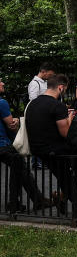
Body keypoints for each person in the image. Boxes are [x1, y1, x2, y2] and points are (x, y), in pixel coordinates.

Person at [25, 74, 77, 214]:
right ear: (60, 87)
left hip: (38, 148)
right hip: (57, 149)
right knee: (74, 171)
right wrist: (70, 118)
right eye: (64, 90)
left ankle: (63, 196)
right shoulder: (57, 105)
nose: (64, 93)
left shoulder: (32, 104)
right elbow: (66, 133)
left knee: (72, 171)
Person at [0, 77, 48, 212]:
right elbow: (11, 126)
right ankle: (16, 203)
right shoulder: (1, 103)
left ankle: (34, 200)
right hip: (3, 144)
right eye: (0, 81)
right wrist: (16, 121)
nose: (3, 83)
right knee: (20, 168)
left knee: (20, 168)